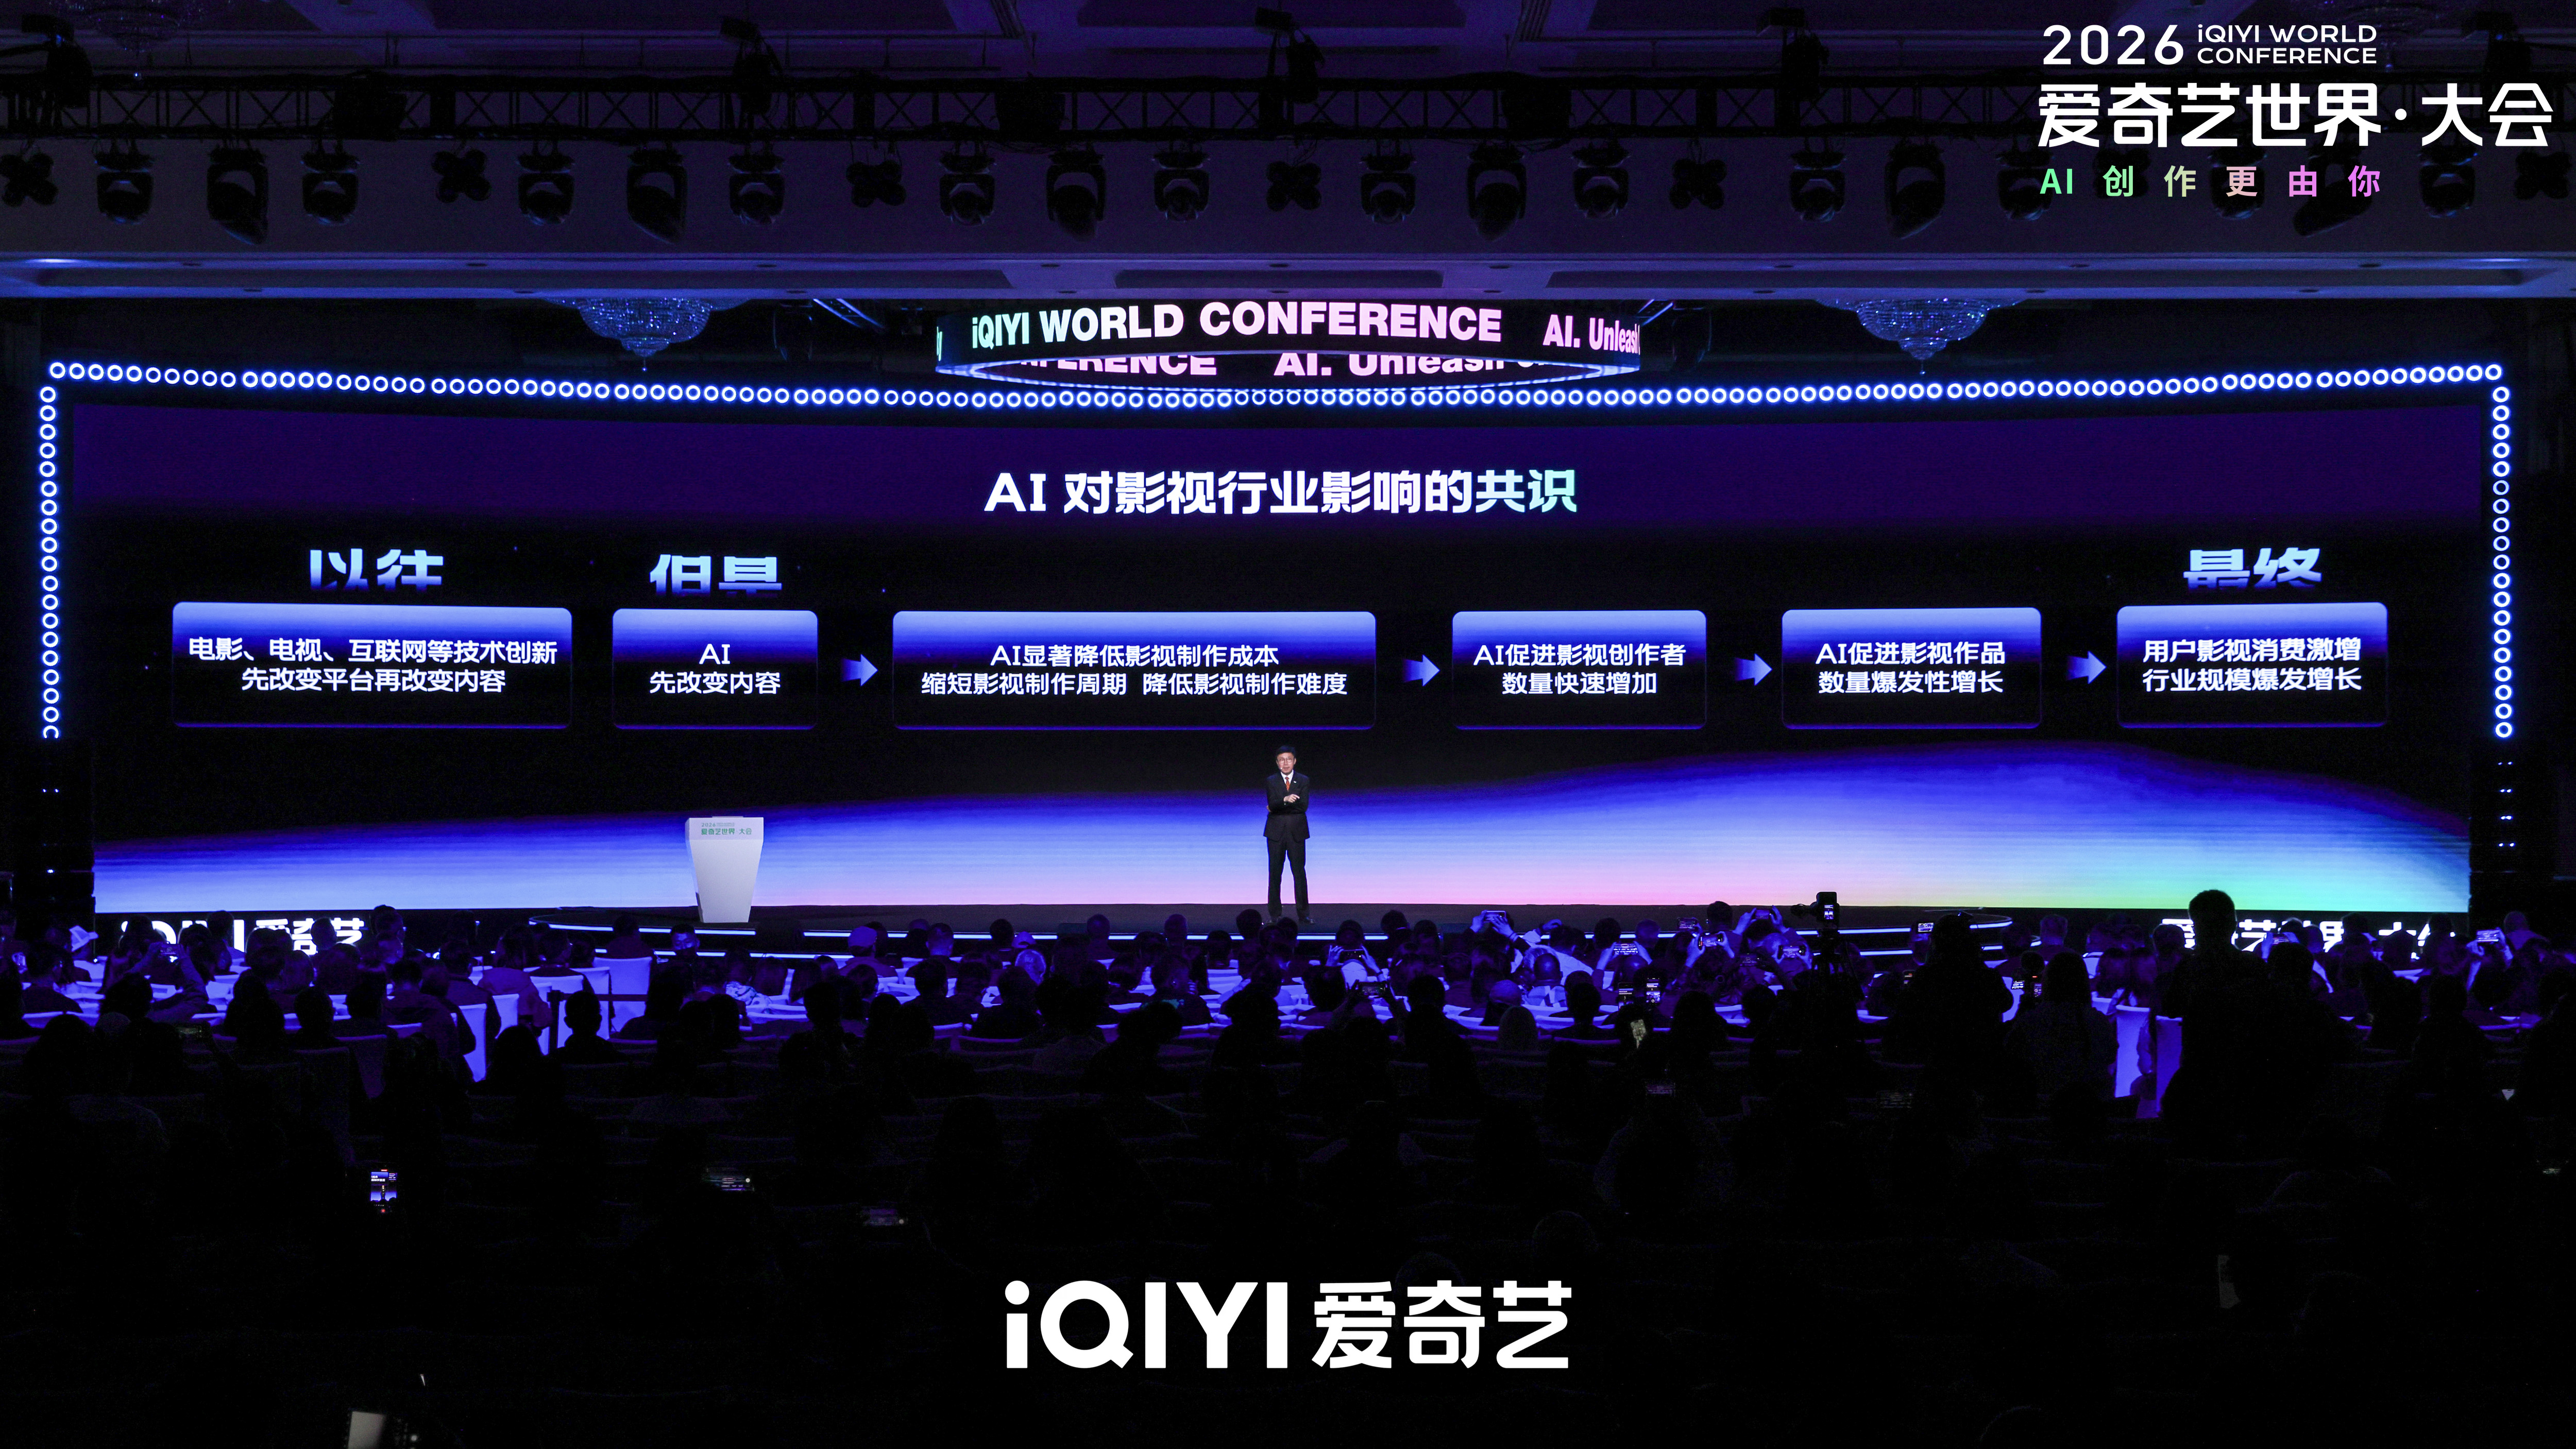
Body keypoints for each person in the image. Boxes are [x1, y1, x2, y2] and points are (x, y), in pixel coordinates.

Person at [2006, 953, 2116, 1103]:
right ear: (2083, 983)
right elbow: (2110, 1056)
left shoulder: (2032, 1021)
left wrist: (2025, 1007)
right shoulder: (2098, 1021)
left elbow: (2011, 1052)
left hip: (2042, 1107)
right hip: (2092, 1107)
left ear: (2048, 981)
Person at [1264, 744, 1311, 924]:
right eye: (1282, 760)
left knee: (1299, 873)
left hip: (1297, 832)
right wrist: (1285, 800)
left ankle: (1304, 914)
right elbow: (1272, 803)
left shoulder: (1303, 780)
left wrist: (1277, 806)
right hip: (1275, 833)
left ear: (1295, 761)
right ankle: (1274, 915)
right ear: (1277, 763)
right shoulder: (1271, 781)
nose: (1285, 763)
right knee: (1275, 874)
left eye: (1289, 760)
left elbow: (1303, 806)